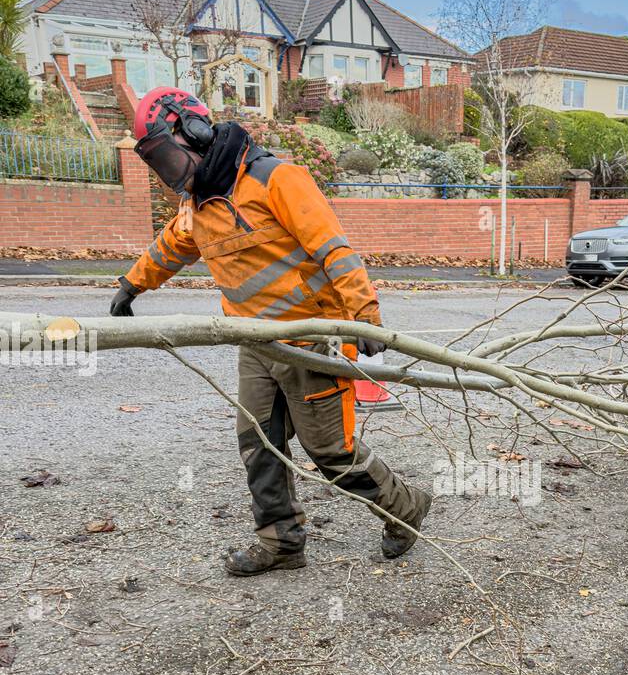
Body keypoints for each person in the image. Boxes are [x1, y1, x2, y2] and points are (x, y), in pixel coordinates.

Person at [112, 87, 430, 575]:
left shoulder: (277, 179)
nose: (167, 170)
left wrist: (365, 317)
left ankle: (404, 507)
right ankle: (281, 543)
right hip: (255, 343)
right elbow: (172, 246)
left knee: (331, 451)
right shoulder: (196, 203)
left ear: (191, 131)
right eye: (155, 160)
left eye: (165, 153)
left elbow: (334, 250)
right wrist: (131, 285)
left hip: (311, 339)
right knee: (259, 445)